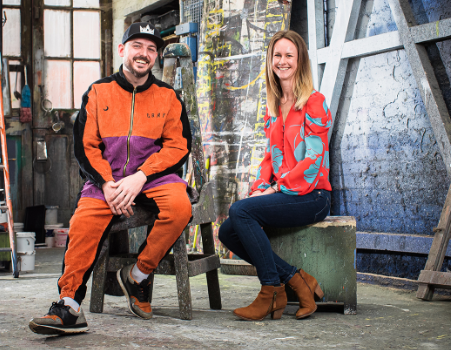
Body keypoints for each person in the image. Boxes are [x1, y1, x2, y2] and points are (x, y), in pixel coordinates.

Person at [29, 22, 192, 335]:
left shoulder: (168, 97)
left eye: (151, 49)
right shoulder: (98, 92)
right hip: (108, 179)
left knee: (181, 208)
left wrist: (141, 176)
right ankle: (69, 307)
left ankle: (138, 275)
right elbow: (85, 145)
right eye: (137, 46)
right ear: (122, 50)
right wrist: (107, 183)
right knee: (82, 224)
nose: (143, 54)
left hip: (154, 176)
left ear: (156, 56)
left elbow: (178, 145)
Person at [219, 30, 332, 321]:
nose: (282, 61)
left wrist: (277, 187)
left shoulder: (314, 102)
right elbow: (270, 157)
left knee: (239, 212)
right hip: (286, 192)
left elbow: (313, 160)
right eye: (277, 55)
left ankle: (271, 290)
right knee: (227, 231)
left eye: (289, 56)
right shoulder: (273, 105)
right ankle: (297, 280)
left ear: (300, 60)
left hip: (314, 195)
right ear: (270, 61)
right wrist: (260, 186)